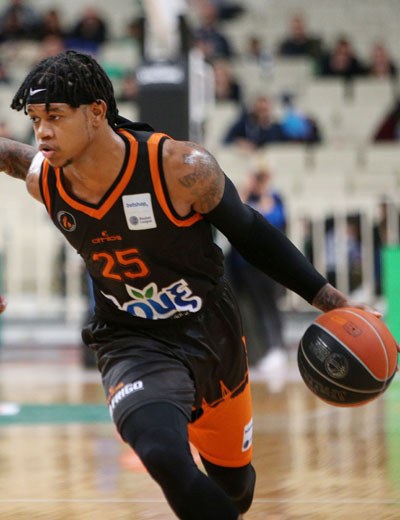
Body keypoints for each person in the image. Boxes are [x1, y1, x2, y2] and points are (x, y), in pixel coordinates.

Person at [0, 50, 378, 520]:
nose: (42, 132)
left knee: (236, 490)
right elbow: (9, 157)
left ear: (97, 112)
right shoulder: (47, 179)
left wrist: (331, 300)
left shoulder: (180, 168)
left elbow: (251, 233)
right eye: (35, 119)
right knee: (161, 453)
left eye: (55, 116)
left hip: (210, 333)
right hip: (130, 339)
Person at [225, 169, 288, 372]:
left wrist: (264, 192)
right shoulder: (244, 198)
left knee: (269, 306)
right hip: (244, 265)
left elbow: (273, 219)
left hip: (266, 263)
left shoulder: (274, 197)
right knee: (254, 308)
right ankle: (263, 351)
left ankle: (277, 347)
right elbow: (233, 217)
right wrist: (244, 191)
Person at [223, 94, 287, 149]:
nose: (262, 113)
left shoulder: (277, 128)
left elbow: (287, 143)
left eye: (265, 110)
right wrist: (239, 142)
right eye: (260, 109)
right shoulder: (243, 125)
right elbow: (227, 140)